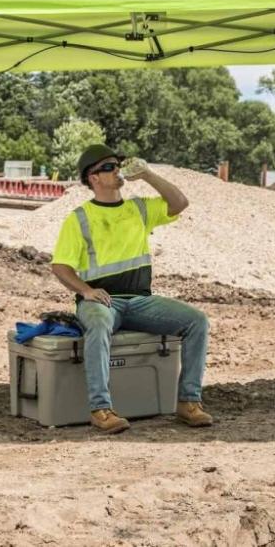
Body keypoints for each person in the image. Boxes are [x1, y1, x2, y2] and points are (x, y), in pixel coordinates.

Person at [50, 144, 212, 434]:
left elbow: (179, 203)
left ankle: (189, 402)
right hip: (102, 301)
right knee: (98, 325)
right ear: (93, 178)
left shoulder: (138, 208)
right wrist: (86, 291)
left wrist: (148, 174)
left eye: (118, 165)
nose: (117, 170)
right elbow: (60, 266)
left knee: (196, 321)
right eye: (109, 167)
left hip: (139, 302)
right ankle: (101, 409)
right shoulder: (79, 218)